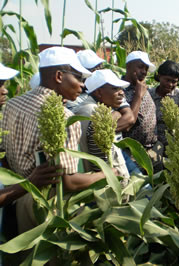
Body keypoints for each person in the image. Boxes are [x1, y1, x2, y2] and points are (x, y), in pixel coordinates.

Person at [0, 47, 117, 233]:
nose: (82, 85)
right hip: (47, 206)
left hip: (13, 198)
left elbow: (4, 158)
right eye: (78, 78)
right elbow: (68, 182)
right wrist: (106, 174)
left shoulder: (12, 105)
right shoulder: (65, 118)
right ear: (59, 76)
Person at [75, 69, 134, 183]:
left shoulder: (90, 109)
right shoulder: (95, 114)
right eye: (115, 88)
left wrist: (116, 113)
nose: (121, 92)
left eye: (121, 89)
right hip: (108, 186)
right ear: (99, 92)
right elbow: (101, 160)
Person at [122, 51, 164, 171]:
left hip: (153, 149)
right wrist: (138, 95)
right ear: (128, 66)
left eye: (146, 68)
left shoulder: (143, 86)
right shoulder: (119, 91)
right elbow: (128, 123)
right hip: (134, 154)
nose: (144, 72)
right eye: (140, 67)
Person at [149, 60, 179, 146]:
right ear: (159, 76)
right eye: (167, 80)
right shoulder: (149, 95)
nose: (170, 84)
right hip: (154, 144)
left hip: (176, 144)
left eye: (174, 81)